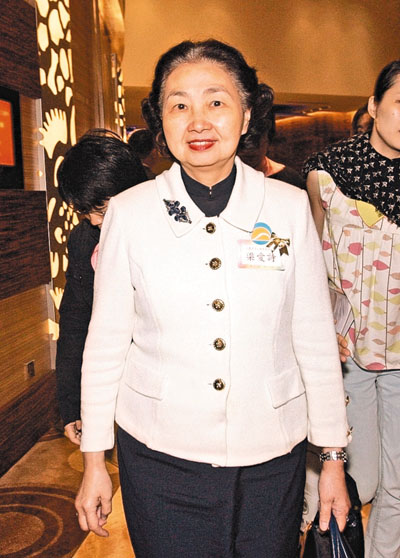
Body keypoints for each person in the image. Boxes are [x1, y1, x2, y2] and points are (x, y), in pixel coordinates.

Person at [75, 39, 350, 558]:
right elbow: (106, 343)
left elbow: (314, 338)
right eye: (179, 105)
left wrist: (332, 459)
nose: (197, 121)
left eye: (216, 102)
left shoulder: (288, 208)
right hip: (159, 456)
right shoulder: (130, 213)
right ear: (161, 122)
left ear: (246, 115)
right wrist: (94, 461)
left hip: (272, 457)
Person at [304, 60, 400, 558]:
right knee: (360, 479)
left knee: (399, 486)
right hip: (348, 354)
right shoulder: (326, 174)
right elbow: (309, 260)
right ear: (374, 105)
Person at [56, 129, 147, 444]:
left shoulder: (172, 227)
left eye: (102, 211)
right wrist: (73, 405)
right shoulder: (84, 240)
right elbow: (75, 321)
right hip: (115, 391)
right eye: (86, 212)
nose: (94, 221)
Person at [239, 102, 306, 188]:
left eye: (257, 141)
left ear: (268, 140)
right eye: (244, 143)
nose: (250, 150)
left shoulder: (289, 178)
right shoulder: (226, 177)